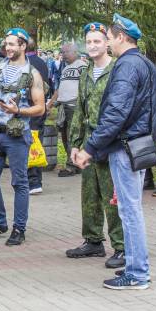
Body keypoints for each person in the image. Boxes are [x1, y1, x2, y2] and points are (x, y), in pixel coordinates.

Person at [73, 14, 156, 291]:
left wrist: (90, 148)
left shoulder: (125, 66)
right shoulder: (146, 64)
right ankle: (136, 267)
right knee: (130, 209)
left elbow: (114, 114)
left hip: (125, 147)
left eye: (109, 37)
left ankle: (136, 273)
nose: (108, 42)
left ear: (121, 37)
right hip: (137, 145)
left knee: (129, 211)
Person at [0, 28, 45, 246]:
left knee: (19, 183)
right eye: (6, 44)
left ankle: (19, 228)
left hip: (17, 135)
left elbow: (40, 108)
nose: (8, 48)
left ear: (23, 46)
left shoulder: (32, 73)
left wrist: (18, 111)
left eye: (12, 44)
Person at [66, 23, 125, 269]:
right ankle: (92, 240)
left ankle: (121, 246)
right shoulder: (86, 71)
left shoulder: (117, 70)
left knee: (112, 196)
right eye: (89, 42)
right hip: (89, 142)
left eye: (97, 41)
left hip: (109, 143)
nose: (92, 46)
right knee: (89, 193)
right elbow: (79, 109)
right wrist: (75, 143)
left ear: (107, 43)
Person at [47, 42, 87, 177]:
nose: (63, 55)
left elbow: (86, 86)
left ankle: (71, 166)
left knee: (72, 135)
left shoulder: (82, 66)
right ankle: (75, 163)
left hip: (74, 106)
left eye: (65, 52)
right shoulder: (65, 69)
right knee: (64, 135)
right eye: (62, 52)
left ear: (74, 52)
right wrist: (50, 103)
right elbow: (59, 89)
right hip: (63, 107)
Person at [25, 35, 51, 194]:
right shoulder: (42, 63)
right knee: (36, 141)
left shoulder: (25, 64)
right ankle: (35, 180)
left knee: (27, 143)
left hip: (27, 108)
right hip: (40, 109)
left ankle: (32, 180)